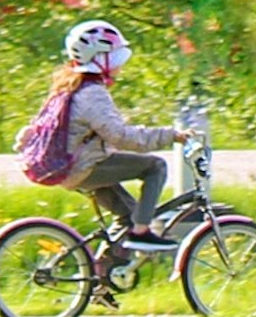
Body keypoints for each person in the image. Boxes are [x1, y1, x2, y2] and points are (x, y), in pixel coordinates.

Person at [32, 20, 184, 236]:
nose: (119, 67)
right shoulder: (92, 93)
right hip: (83, 168)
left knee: (128, 216)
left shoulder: (70, 86)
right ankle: (142, 232)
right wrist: (171, 136)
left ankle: (104, 268)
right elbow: (121, 137)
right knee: (155, 167)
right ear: (101, 60)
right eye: (115, 60)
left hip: (70, 167)